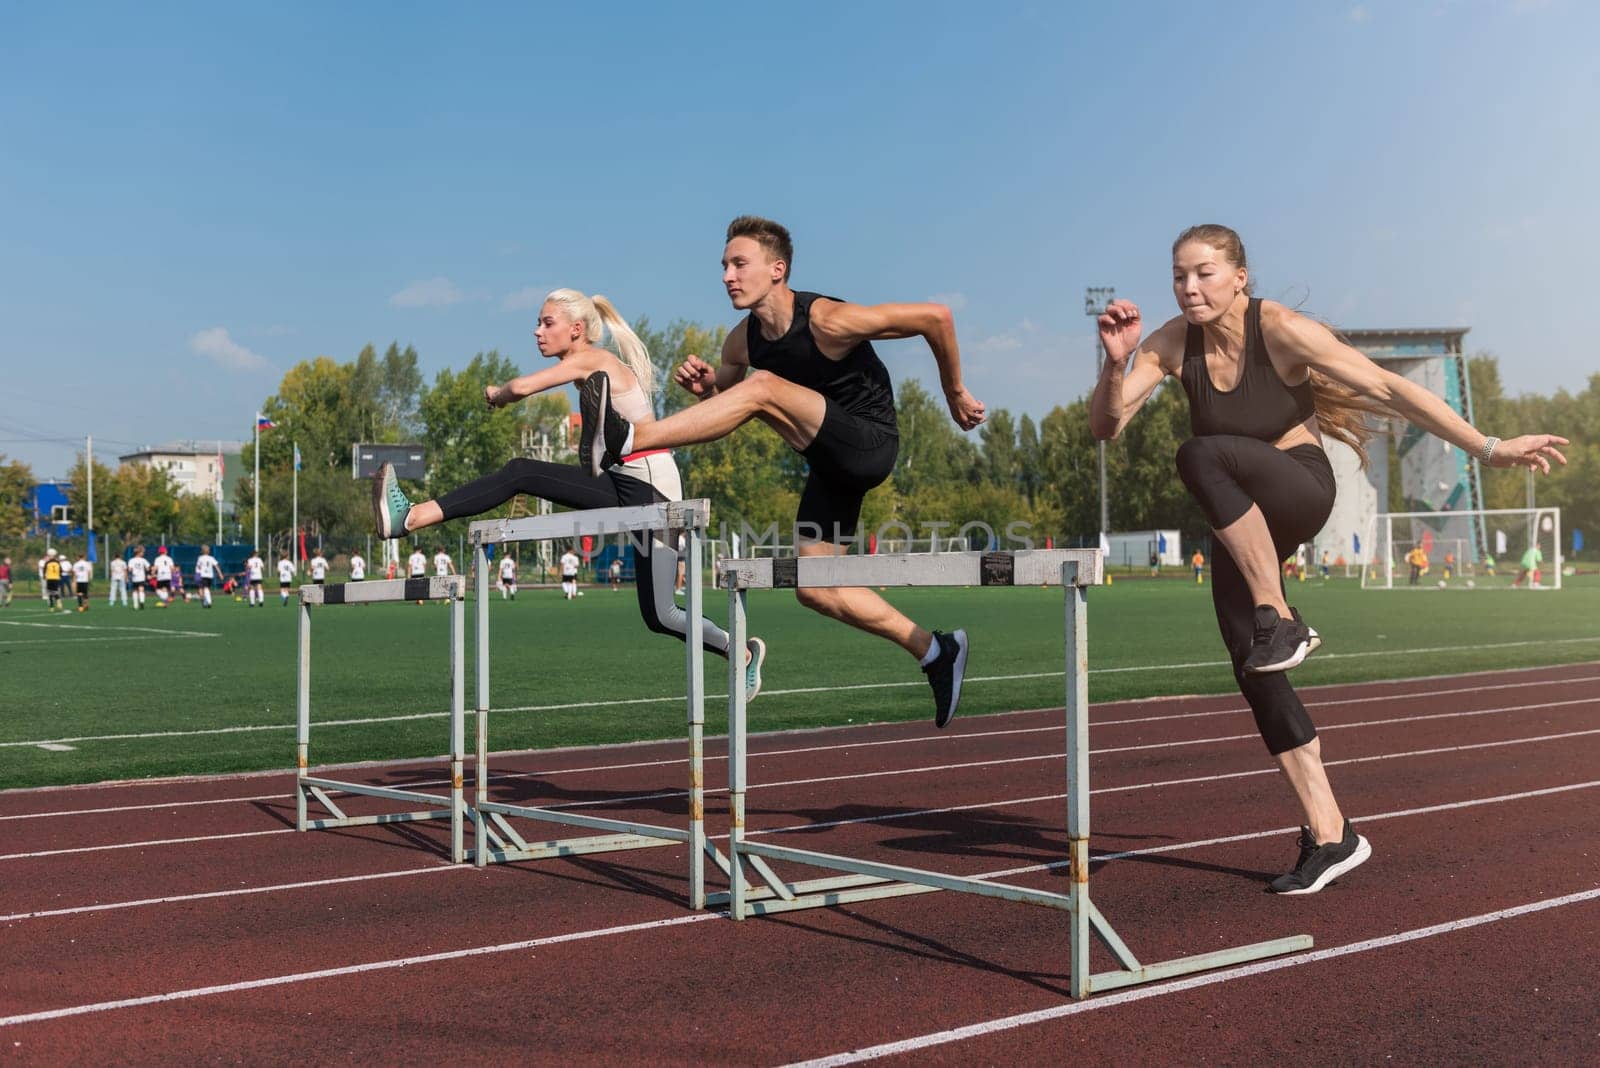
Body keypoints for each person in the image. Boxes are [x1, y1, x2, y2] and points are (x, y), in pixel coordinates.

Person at [1089, 223, 1567, 894]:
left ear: (1239, 278)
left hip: (1299, 488)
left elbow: (1389, 389)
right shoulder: (1170, 343)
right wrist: (1115, 364)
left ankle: (1277, 610)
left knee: (1198, 452)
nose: (1188, 287)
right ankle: (1331, 831)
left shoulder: (1280, 328)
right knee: (1250, 663)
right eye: (1177, 275)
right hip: (1244, 521)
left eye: (1202, 273)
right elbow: (1105, 426)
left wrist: (1490, 447)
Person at [578, 216, 984, 727]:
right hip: (829, 466)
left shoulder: (827, 321)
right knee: (814, 587)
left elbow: (937, 317)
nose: (727, 275)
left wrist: (954, 392)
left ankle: (631, 437)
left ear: (778, 269)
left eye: (738, 263)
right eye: (723, 265)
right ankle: (934, 651)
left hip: (869, 443)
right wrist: (708, 390)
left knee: (765, 387)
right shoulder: (741, 343)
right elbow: (733, 400)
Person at [371, 287, 764, 695]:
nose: (537, 332)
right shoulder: (589, 365)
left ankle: (742, 650)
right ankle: (411, 516)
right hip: (622, 479)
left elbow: (522, 388)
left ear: (577, 330)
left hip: (651, 483)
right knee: (522, 473)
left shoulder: (592, 360)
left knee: (661, 614)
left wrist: (497, 394)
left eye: (547, 323)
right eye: (538, 323)